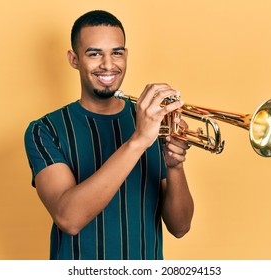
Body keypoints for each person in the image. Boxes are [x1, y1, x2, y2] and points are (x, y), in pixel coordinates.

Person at [24, 10, 194, 260]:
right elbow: (68, 218)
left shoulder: (153, 120)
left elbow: (180, 227)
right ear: (74, 59)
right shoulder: (45, 130)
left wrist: (175, 166)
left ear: (126, 56)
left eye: (117, 52)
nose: (108, 64)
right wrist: (139, 141)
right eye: (94, 54)